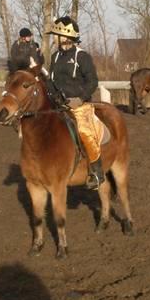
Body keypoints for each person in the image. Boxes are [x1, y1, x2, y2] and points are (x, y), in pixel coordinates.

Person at [46, 16, 104, 191]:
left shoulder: (82, 56)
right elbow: (50, 80)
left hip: (79, 104)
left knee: (84, 132)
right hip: (57, 105)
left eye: (55, 35)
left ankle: (96, 171)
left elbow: (93, 81)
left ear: (65, 37)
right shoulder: (55, 56)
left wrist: (79, 98)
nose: (53, 39)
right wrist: (50, 94)